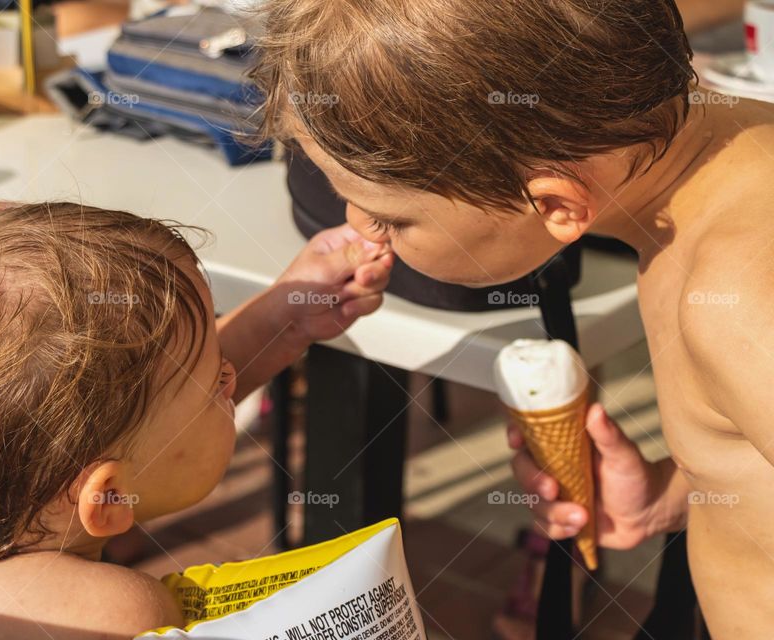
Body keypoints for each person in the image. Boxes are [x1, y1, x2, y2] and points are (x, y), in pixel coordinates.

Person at [251, 0, 774, 636]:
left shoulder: (738, 299)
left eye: (390, 217)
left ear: (555, 203)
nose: (357, 228)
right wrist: (681, 490)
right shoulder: (731, 156)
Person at [0, 202, 392, 638]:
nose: (231, 376)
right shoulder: (120, 616)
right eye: (216, 385)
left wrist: (285, 317)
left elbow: (134, 410)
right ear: (107, 499)